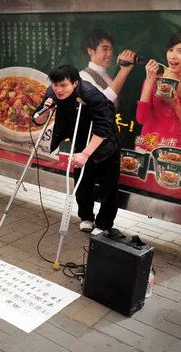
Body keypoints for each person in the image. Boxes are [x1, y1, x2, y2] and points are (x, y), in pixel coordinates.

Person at [34, 64, 120, 235]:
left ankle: (104, 224)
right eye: (55, 84)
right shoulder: (52, 93)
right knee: (82, 181)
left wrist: (87, 154)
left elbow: (104, 127)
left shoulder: (91, 94)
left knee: (108, 186)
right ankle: (86, 217)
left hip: (105, 145)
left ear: (75, 83)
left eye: (63, 85)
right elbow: (37, 120)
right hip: (80, 141)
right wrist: (47, 110)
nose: (58, 89)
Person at [79, 29, 137, 104]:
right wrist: (124, 70)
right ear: (90, 51)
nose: (110, 54)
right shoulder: (83, 76)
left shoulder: (108, 76)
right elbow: (103, 101)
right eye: (105, 49)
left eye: (111, 50)